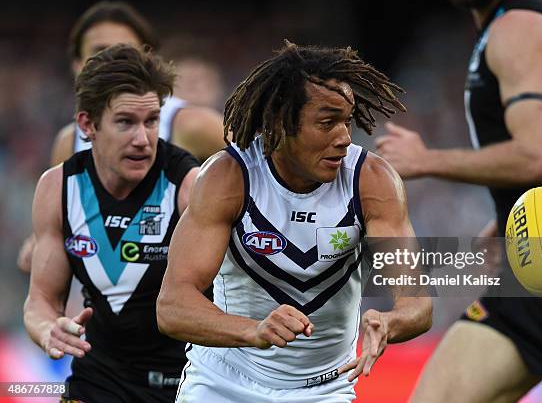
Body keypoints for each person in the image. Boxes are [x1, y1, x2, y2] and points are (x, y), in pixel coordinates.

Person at [156, 41, 433, 402]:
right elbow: (172, 306)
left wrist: (389, 322)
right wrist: (253, 330)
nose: (344, 138)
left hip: (324, 389)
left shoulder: (372, 182)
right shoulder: (229, 177)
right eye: (326, 123)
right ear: (280, 122)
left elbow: (418, 303)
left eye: (346, 121)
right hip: (224, 381)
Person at [376, 0, 542, 401]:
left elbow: (537, 157)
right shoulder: (515, 27)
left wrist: (426, 159)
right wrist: (516, 217)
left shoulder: (519, 30)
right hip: (524, 276)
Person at [23, 44, 200, 403]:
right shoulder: (58, 187)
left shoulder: (188, 185)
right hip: (99, 379)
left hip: (186, 383)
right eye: (125, 122)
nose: (142, 139)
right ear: (88, 124)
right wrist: (47, 330)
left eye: (151, 121)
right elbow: (41, 299)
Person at [17, 0, 225, 274]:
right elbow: (62, 232)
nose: (112, 61)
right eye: (99, 52)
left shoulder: (190, 123)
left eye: (124, 52)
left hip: (181, 295)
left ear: (148, 59)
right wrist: (40, 247)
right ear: (77, 65)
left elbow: (264, 168)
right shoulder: (69, 143)